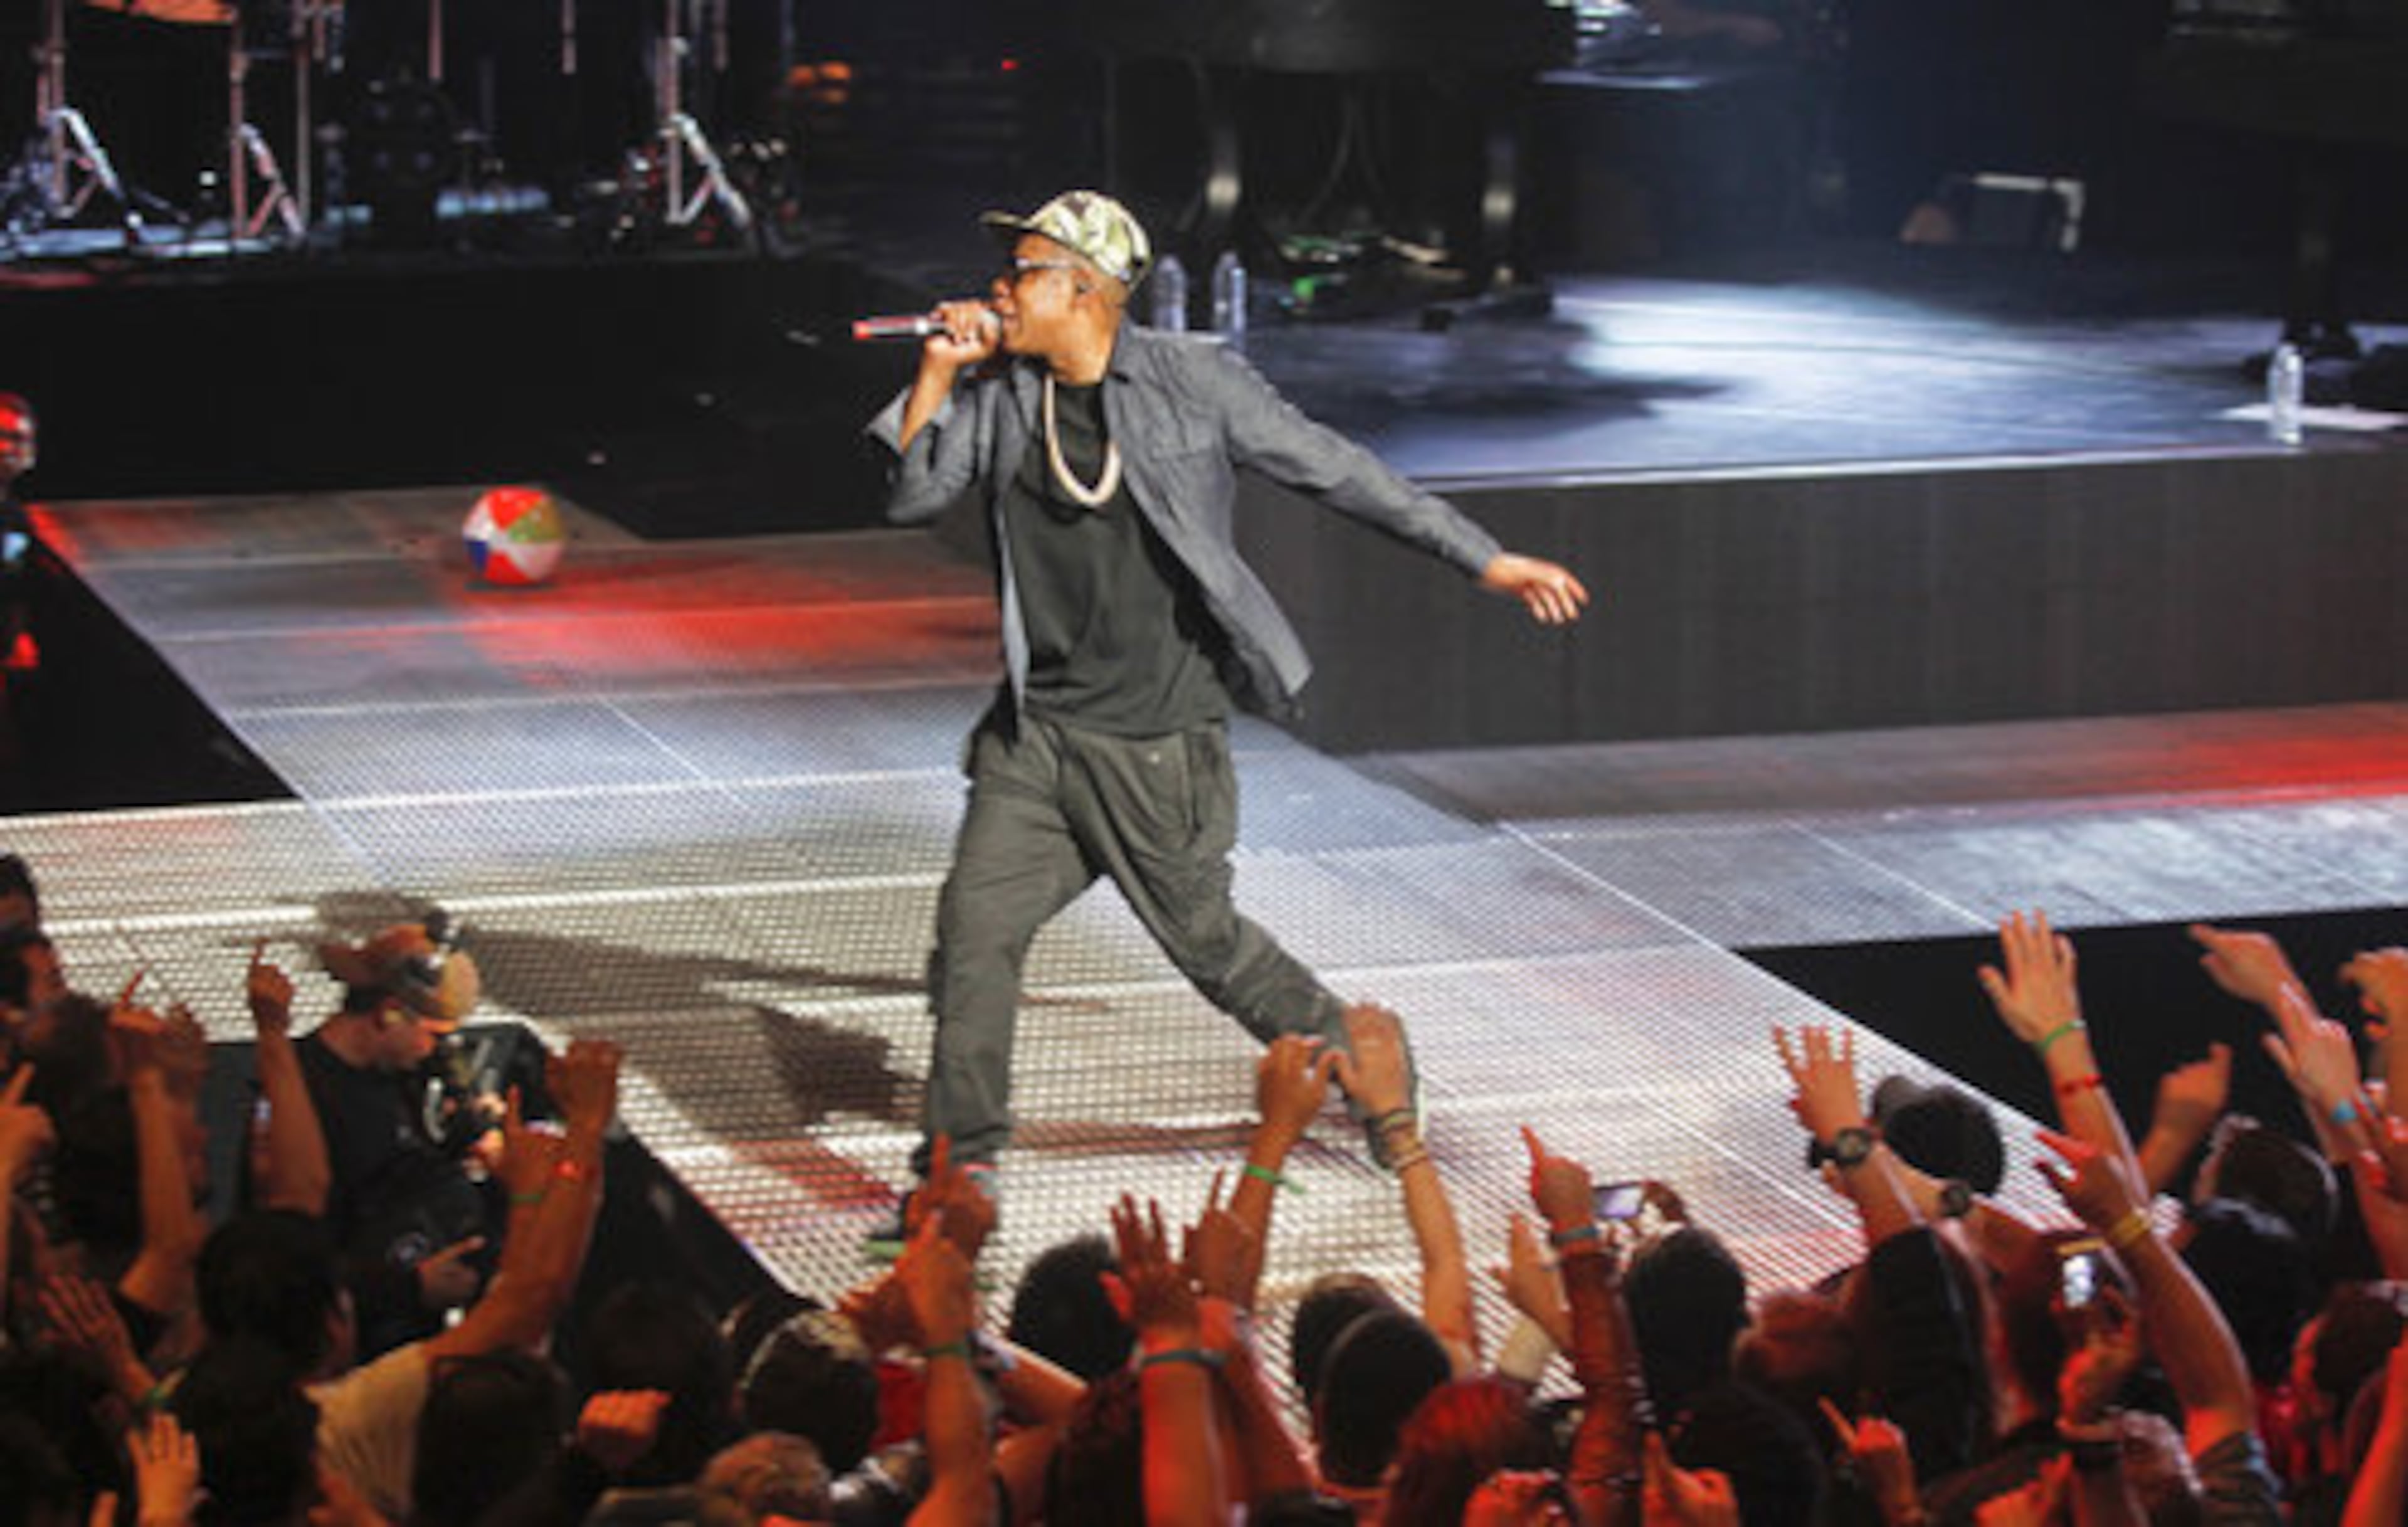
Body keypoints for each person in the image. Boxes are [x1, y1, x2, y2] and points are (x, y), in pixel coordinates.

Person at [864, 189, 1589, 1230]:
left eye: (1022, 271)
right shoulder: (1003, 393)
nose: (999, 290)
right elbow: (912, 496)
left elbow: (1338, 471)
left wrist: (1484, 557)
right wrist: (936, 371)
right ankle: (959, 1173)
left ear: (1084, 289)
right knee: (975, 936)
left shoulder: (1192, 383)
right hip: (1039, 739)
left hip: (1157, 740)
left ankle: (1360, 1050)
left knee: (1209, 948)